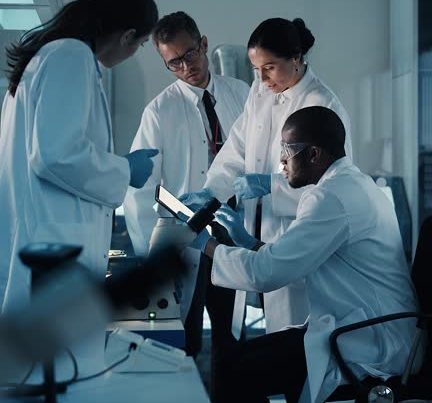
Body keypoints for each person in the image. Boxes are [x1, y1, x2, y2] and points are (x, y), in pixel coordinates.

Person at [188, 106, 418, 403]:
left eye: (287, 149)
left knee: (234, 371)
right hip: (365, 326)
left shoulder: (331, 197)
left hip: (372, 340)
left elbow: (266, 273)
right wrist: (245, 240)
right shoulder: (352, 184)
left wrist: (205, 244)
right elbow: (291, 260)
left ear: (313, 154)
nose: (281, 160)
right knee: (239, 360)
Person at [0, 0, 159, 370]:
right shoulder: (70, 56)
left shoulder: (52, 56)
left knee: (44, 370)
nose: (134, 52)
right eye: (140, 44)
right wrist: (125, 169)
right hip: (53, 249)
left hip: (44, 239)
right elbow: (55, 155)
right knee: (57, 371)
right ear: (127, 36)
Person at [180, 18, 353, 336]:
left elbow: (333, 184)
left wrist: (271, 186)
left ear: (296, 58)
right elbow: (237, 148)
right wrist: (212, 192)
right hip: (257, 228)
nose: (261, 78)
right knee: (266, 328)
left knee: (294, 332)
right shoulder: (261, 91)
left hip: (296, 230)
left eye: (269, 68)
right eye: (256, 69)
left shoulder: (322, 104)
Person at [122, 11, 249, 399]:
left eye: (190, 54)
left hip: (231, 230)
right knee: (184, 338)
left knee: (231, 335)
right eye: (173, 62)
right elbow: (139, 192)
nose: (185, 67)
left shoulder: (241, 94)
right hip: (182, 237)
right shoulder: (159, 111)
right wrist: (153, 260)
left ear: (204, 44)